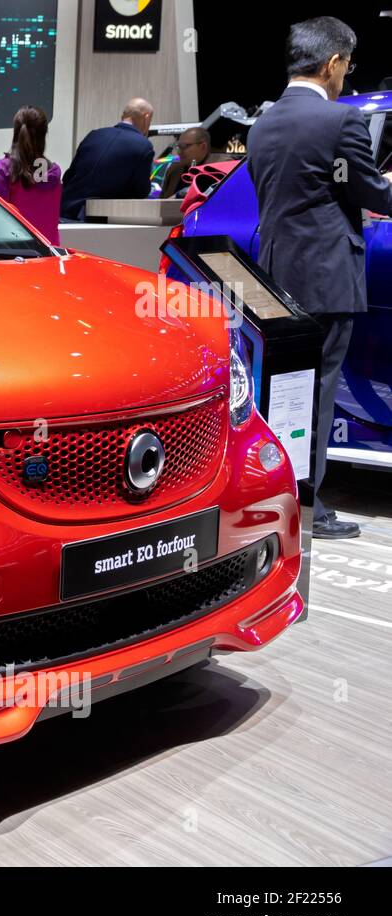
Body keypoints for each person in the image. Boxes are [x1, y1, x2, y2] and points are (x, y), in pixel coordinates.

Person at [248, 16, 392, 539]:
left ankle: (274, 500)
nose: (346, 76)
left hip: (271, 275)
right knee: (317, 397)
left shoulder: (263, 124)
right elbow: (374, 195)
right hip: (326, 279)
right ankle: (310, 510)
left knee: (281, 396)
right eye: (347, 65)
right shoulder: (339, 122)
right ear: (333, 63)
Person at [60, 98, 155, 221]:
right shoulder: (143, 146)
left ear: (123, 115)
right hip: (97, 221)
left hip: (64, 211)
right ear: (146, 118)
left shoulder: (93, 135)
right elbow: (140, 192)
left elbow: (68, 176)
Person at [0, 106, 63, 243]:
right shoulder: (54, 174)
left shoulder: (2, 170)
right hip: (50, 254)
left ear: (16, 132)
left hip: (16, 256)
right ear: (44, 135)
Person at [160, 126, 211, 199]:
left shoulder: (217, 170)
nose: (179, 152)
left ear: (203, 146)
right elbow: (163, 199)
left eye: (184, 146)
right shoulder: (175, 169)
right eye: (178, 147)